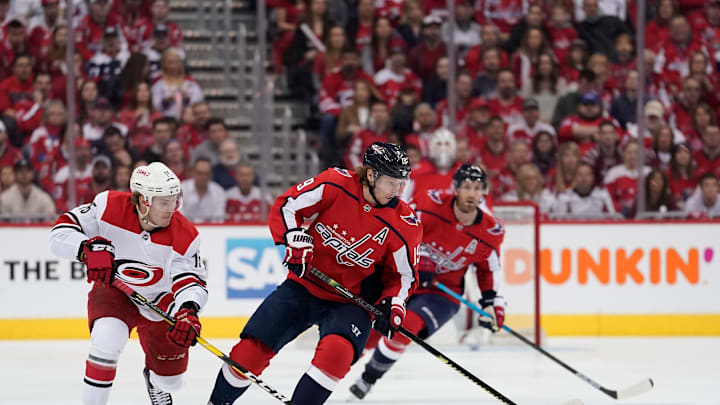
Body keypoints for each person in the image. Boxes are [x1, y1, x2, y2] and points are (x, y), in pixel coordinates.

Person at [206, 142, 421, 405]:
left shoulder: (405, 224)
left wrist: (394, 303)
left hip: (353, 302)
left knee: (336, 355)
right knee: (249, 353)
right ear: (371, 175)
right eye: (392, 182)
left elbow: (402, 276)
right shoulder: (335, 183)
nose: (399, 190)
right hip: (305, 286)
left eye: (403, 182)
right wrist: (294, 238)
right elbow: (288, 206)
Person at [48, 161, 207, 405]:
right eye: (164, 202)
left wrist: (188, 310)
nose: (172, 208)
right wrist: (85, 249)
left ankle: (155, 382)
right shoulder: (107, 206)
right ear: (143, 201)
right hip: (116, 290)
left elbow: (190, 280)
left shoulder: (185, 234)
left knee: (171, 382)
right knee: (106, 341)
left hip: (161, 302)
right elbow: (59, 233)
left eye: (175, 200)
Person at [349, 164, 505, 399]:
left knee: (405, 326)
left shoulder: (491, 231)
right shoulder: (429, 205)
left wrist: (492, 303)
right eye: (467, 187)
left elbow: (488, 271)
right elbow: (399, 227)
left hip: (443, 295)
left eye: (477, 188)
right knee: (371, 331)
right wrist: (419, 257)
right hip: (405, 279)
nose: (472, 193)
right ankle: (341, 365)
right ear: (455, 189)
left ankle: (368, 378)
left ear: (484, 191)